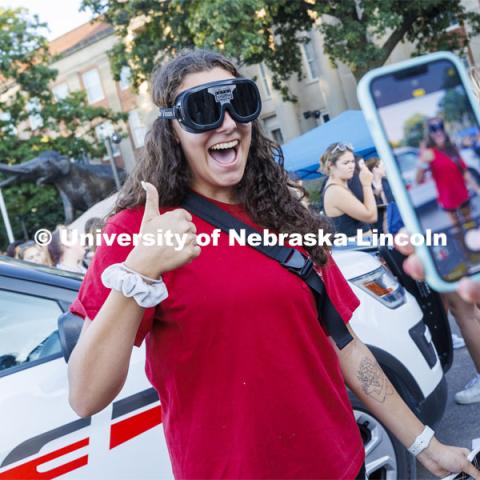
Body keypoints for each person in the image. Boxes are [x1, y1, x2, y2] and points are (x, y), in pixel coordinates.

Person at [67, 50, 477, 479]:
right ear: (171, 129)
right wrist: (139, 271)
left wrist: (424, 444)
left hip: (341, 464)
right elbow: (86, 395)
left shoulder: (285, 213)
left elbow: (347, 345)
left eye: (239, 103)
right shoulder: (140, 228)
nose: (226, 123)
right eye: (202, 109)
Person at [417, 117, 480, 233]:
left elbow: (465, 172)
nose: (438, 132)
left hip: (462, 195)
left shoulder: (452, 149)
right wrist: (422, 162)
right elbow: (418, 180)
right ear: (430, 134)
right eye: (434, 129)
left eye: (440, 127)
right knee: (457, 231)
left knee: (471, 227)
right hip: (447, 200)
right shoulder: (429, 154)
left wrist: (477, 189)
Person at [320, 143, 377, 238]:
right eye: (345, 163)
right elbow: (371, 217)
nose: (351, 166)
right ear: (331, 165)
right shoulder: (335, 191)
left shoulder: (340, 186)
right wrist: (366, 185)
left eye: (352, 161)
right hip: (356, 249)